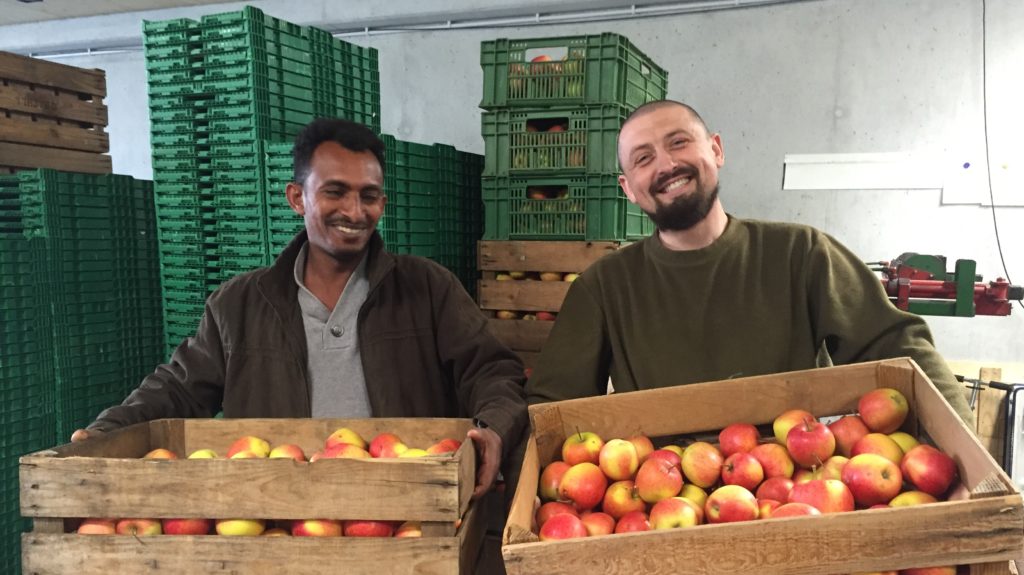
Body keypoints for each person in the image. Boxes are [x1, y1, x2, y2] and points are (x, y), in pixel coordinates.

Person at [72, 118, 529, 498]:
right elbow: (179, 386)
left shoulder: (427, 288)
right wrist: (108, 431)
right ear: (297, 198)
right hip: (278, 514)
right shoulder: (240, 304)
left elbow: (490, 370)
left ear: (383, 203)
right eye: (335, 191)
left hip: (406, 508)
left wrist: (493, 428)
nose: (354, 210)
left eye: (369, 195)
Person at [525, 100, 974, 423]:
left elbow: (900, 347)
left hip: (802, 491)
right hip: (656, 507)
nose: (665, 165)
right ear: (628, 187)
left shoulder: (801, 253)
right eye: (644, 159)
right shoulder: (605, 286)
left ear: (716, 150)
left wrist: (966, 454)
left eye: (678, 142)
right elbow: (553, 405)